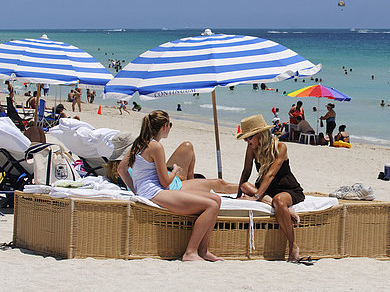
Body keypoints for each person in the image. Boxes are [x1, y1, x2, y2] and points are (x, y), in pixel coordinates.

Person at [117, 110, 237, 261]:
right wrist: (174, 171)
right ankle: (191, 252)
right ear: (164, 126)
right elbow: (165, 181)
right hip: (155, 192)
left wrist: (136, 190)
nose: (170, 128)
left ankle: (203, 250)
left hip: (149, 191)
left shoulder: (139, 143)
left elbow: (121, 169)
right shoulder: (156, 147)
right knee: (211, 205)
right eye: (170, 125)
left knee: (216, 199)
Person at [235, 114, 305, 262]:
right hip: (266, 190)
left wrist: (256, 197)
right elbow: (246, 171)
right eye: (245, 139)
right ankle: (276, 204)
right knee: (245, 185)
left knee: (279, 200)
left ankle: (293, 245)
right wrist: (238, 194)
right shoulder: (252, 149)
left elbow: (271, 175)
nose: (247, 142)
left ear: (260, 135)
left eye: (249, 138)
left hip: (287, 189)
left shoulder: (280, 147)